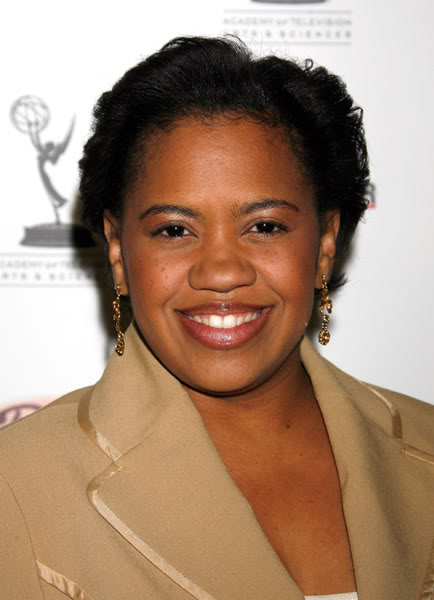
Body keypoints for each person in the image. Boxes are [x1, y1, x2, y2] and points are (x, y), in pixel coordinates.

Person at [1, 36, 433, 600]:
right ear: (118, 251)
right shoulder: (17, 484)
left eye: (265, 226)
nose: (222, 272)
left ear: (325, 245)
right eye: (174, 230)